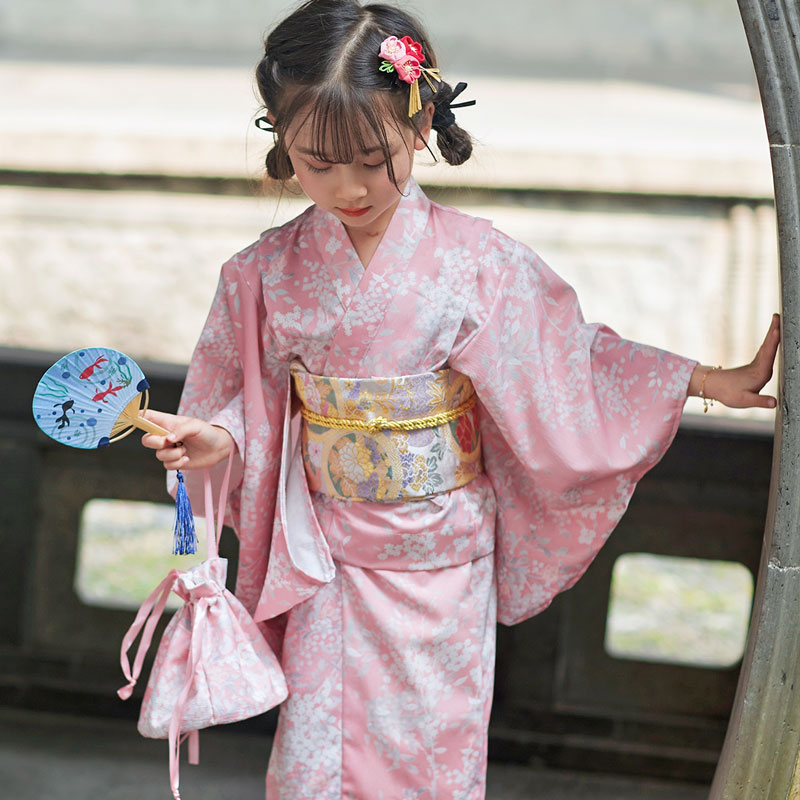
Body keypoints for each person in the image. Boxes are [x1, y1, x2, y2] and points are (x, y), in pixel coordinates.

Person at [140, 1, 780, 797]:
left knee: (431, 771)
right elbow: (250, 401)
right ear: (279, 139)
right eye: (318, 162)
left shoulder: (476, 263)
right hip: (331, 567)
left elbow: (567, 366)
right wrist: (219, 442)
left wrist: (702, 380)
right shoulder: (263, 272)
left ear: (419, 122)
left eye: (371, 158)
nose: (348, 187)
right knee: (315, 771)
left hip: (442, 568)